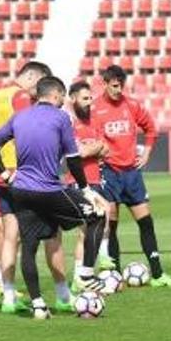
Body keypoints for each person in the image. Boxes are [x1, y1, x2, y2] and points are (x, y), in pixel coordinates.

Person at [0, 76, 108, 319]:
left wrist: (6, 175)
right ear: (56, 95)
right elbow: (73, 158)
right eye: (62, 96)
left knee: (29, 247)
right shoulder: (61, 118)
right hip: (50, 191)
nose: (63, 101)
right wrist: (86, 190)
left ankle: (39, 304)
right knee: (97, 215)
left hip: (21, 191)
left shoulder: (19, 116)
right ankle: (84, 274)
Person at [0, 60, 70, 313]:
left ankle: (9, 296)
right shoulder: (23, 99)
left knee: (11, 237)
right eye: (42, 82)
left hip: (4, 178)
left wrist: (3, 172)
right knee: (52, 236)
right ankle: (62, 295)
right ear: (34, 77)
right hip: (28, 177)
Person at [92, 65, 171, 287]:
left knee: (146, 222)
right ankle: (115, 275)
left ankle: (158, 275)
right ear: (104, 84)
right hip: (109, 173)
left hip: (131, 173)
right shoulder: (95, 108)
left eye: (121, 85)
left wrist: (147, 154)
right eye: (114, 86)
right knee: (111, 224)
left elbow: (151, 129)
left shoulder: (132, 105)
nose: (118, 89)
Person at [66, 81, 114, 291]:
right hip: (78, 181)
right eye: (85, 98)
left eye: (90, 98)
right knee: (87, 229)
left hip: (95, 179)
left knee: (97, 222)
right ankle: (82, 275)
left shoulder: (93, 122)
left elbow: (106, 150)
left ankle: (84, 274)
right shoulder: (69, 123)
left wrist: (93, 147)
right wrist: (95, 147)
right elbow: (81, 153)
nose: (89, 102)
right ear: (73, 98)